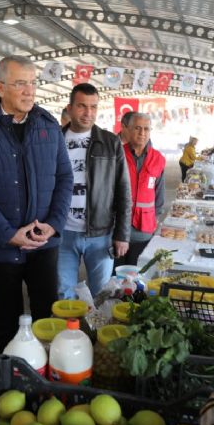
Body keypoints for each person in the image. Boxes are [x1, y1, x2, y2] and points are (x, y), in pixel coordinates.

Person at [0, 55, 72, 353]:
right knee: (8, 319)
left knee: (46, 316)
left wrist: (53, 225)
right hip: (1, 245)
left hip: (43, 242)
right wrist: (7, 233)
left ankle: (47, 383)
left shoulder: (48, 126)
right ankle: (11, 380)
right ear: (0, 87)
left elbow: (64, 178)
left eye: (32, 83)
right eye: (20, 83)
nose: (29, 91)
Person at [58, 83, 131, 299]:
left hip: (100, 234)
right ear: (69, 108)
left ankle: (98, 334)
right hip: (62, 233)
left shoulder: (110, 142)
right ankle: (71, 333)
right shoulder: (54, 139)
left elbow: (123, 191)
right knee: (63, 294)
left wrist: (122, 235)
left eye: (93, 107)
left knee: (102, 295)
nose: (88, 113)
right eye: (82, 106)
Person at [115, 112, 166, 266]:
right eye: (137, 128)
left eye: (146, 129)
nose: (142, 133)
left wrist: (153, 218)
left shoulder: (158, 158)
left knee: (137, 276)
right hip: (117, 231)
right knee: (116, 278)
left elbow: (159, 195)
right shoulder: (117, 154)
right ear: (128, 129)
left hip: (144, 231)